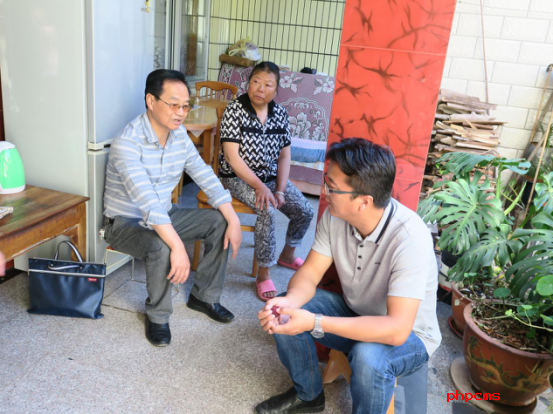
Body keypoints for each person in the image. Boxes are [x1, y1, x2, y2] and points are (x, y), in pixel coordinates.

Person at [256, 138, 441, 414]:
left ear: (363, 201)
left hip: (410, 335)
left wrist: (314, 321)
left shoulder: (410, 238)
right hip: (356, 313)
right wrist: (291, 302)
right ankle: (309, 396)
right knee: (284, 308)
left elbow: (397, 329)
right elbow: (310, 273)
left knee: (369, 357)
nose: (325, 192)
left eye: (332, 187)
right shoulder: (334, 216)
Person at [103, 69, 242, 347]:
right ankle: (158, 316)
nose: (180, 113)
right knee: (161, 245)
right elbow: (147, 202)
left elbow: (204, 174)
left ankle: (204, 297)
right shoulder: (127, 142)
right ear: (151, 101)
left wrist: (233, 218)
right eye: (174, 104)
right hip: (124, 222)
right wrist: (177, 246)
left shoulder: (180, 137)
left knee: (220, 221)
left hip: (165, 214)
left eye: (185, 106)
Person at [219, 61, 314, 301]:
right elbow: (232, 157)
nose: (260, 88)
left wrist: (280, 190)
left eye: (268, 84)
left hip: (269, 177)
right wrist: (260, 187)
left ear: (276, 89)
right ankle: (263, 274)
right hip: (237, 177)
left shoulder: (280, 113)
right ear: (248, 83)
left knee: (305, 210)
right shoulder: (234, 110)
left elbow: (284, 156)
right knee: (267, 210)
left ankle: (288, 255)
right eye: (256, 82)